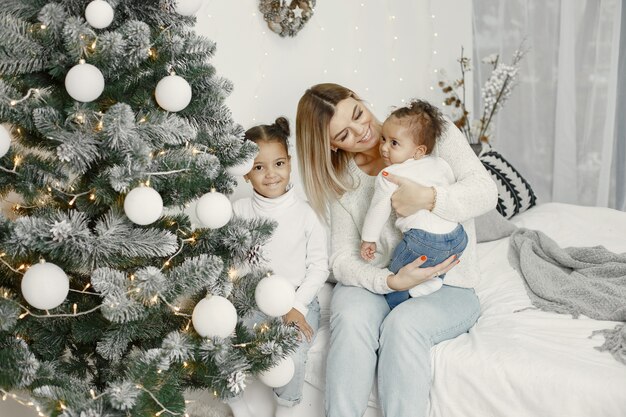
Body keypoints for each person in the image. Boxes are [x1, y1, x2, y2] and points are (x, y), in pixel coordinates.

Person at [295, 83, 498, 417]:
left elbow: (485, 192)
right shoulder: (343, 180)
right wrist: (389, 283)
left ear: (359, 98)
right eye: (344, 135)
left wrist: (430, 198)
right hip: (382, 279)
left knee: (402, 327)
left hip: (447, 282)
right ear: (331, 146)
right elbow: (342, 259)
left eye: (358, 114)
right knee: (350, 315)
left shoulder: (428, 129)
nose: (362, 131)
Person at [228, 117, 329, 417]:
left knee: (292, 355)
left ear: (290, 163)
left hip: (296, 301)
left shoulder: (307, 213)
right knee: (223, 340)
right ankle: (235, 404)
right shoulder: (238, 212)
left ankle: (287, 409)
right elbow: (231, 262)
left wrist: (296, 305)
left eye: (279, 164)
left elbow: (319, 267)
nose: (270, 174)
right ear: (246, 173)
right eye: (259, 167)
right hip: (251, 301)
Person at [360, 99, 468, 309]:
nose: (383, 148)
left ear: (418, 151)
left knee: (396, 275)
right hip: (458, 237)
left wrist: (368, 239)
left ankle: (394, 308)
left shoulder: (389, 174)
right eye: (383, 139)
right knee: (438, 261)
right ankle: (434, 281)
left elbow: (378, 209)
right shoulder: (440, 164)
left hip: (423, 240)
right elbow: (451, 190)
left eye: (394, 143)